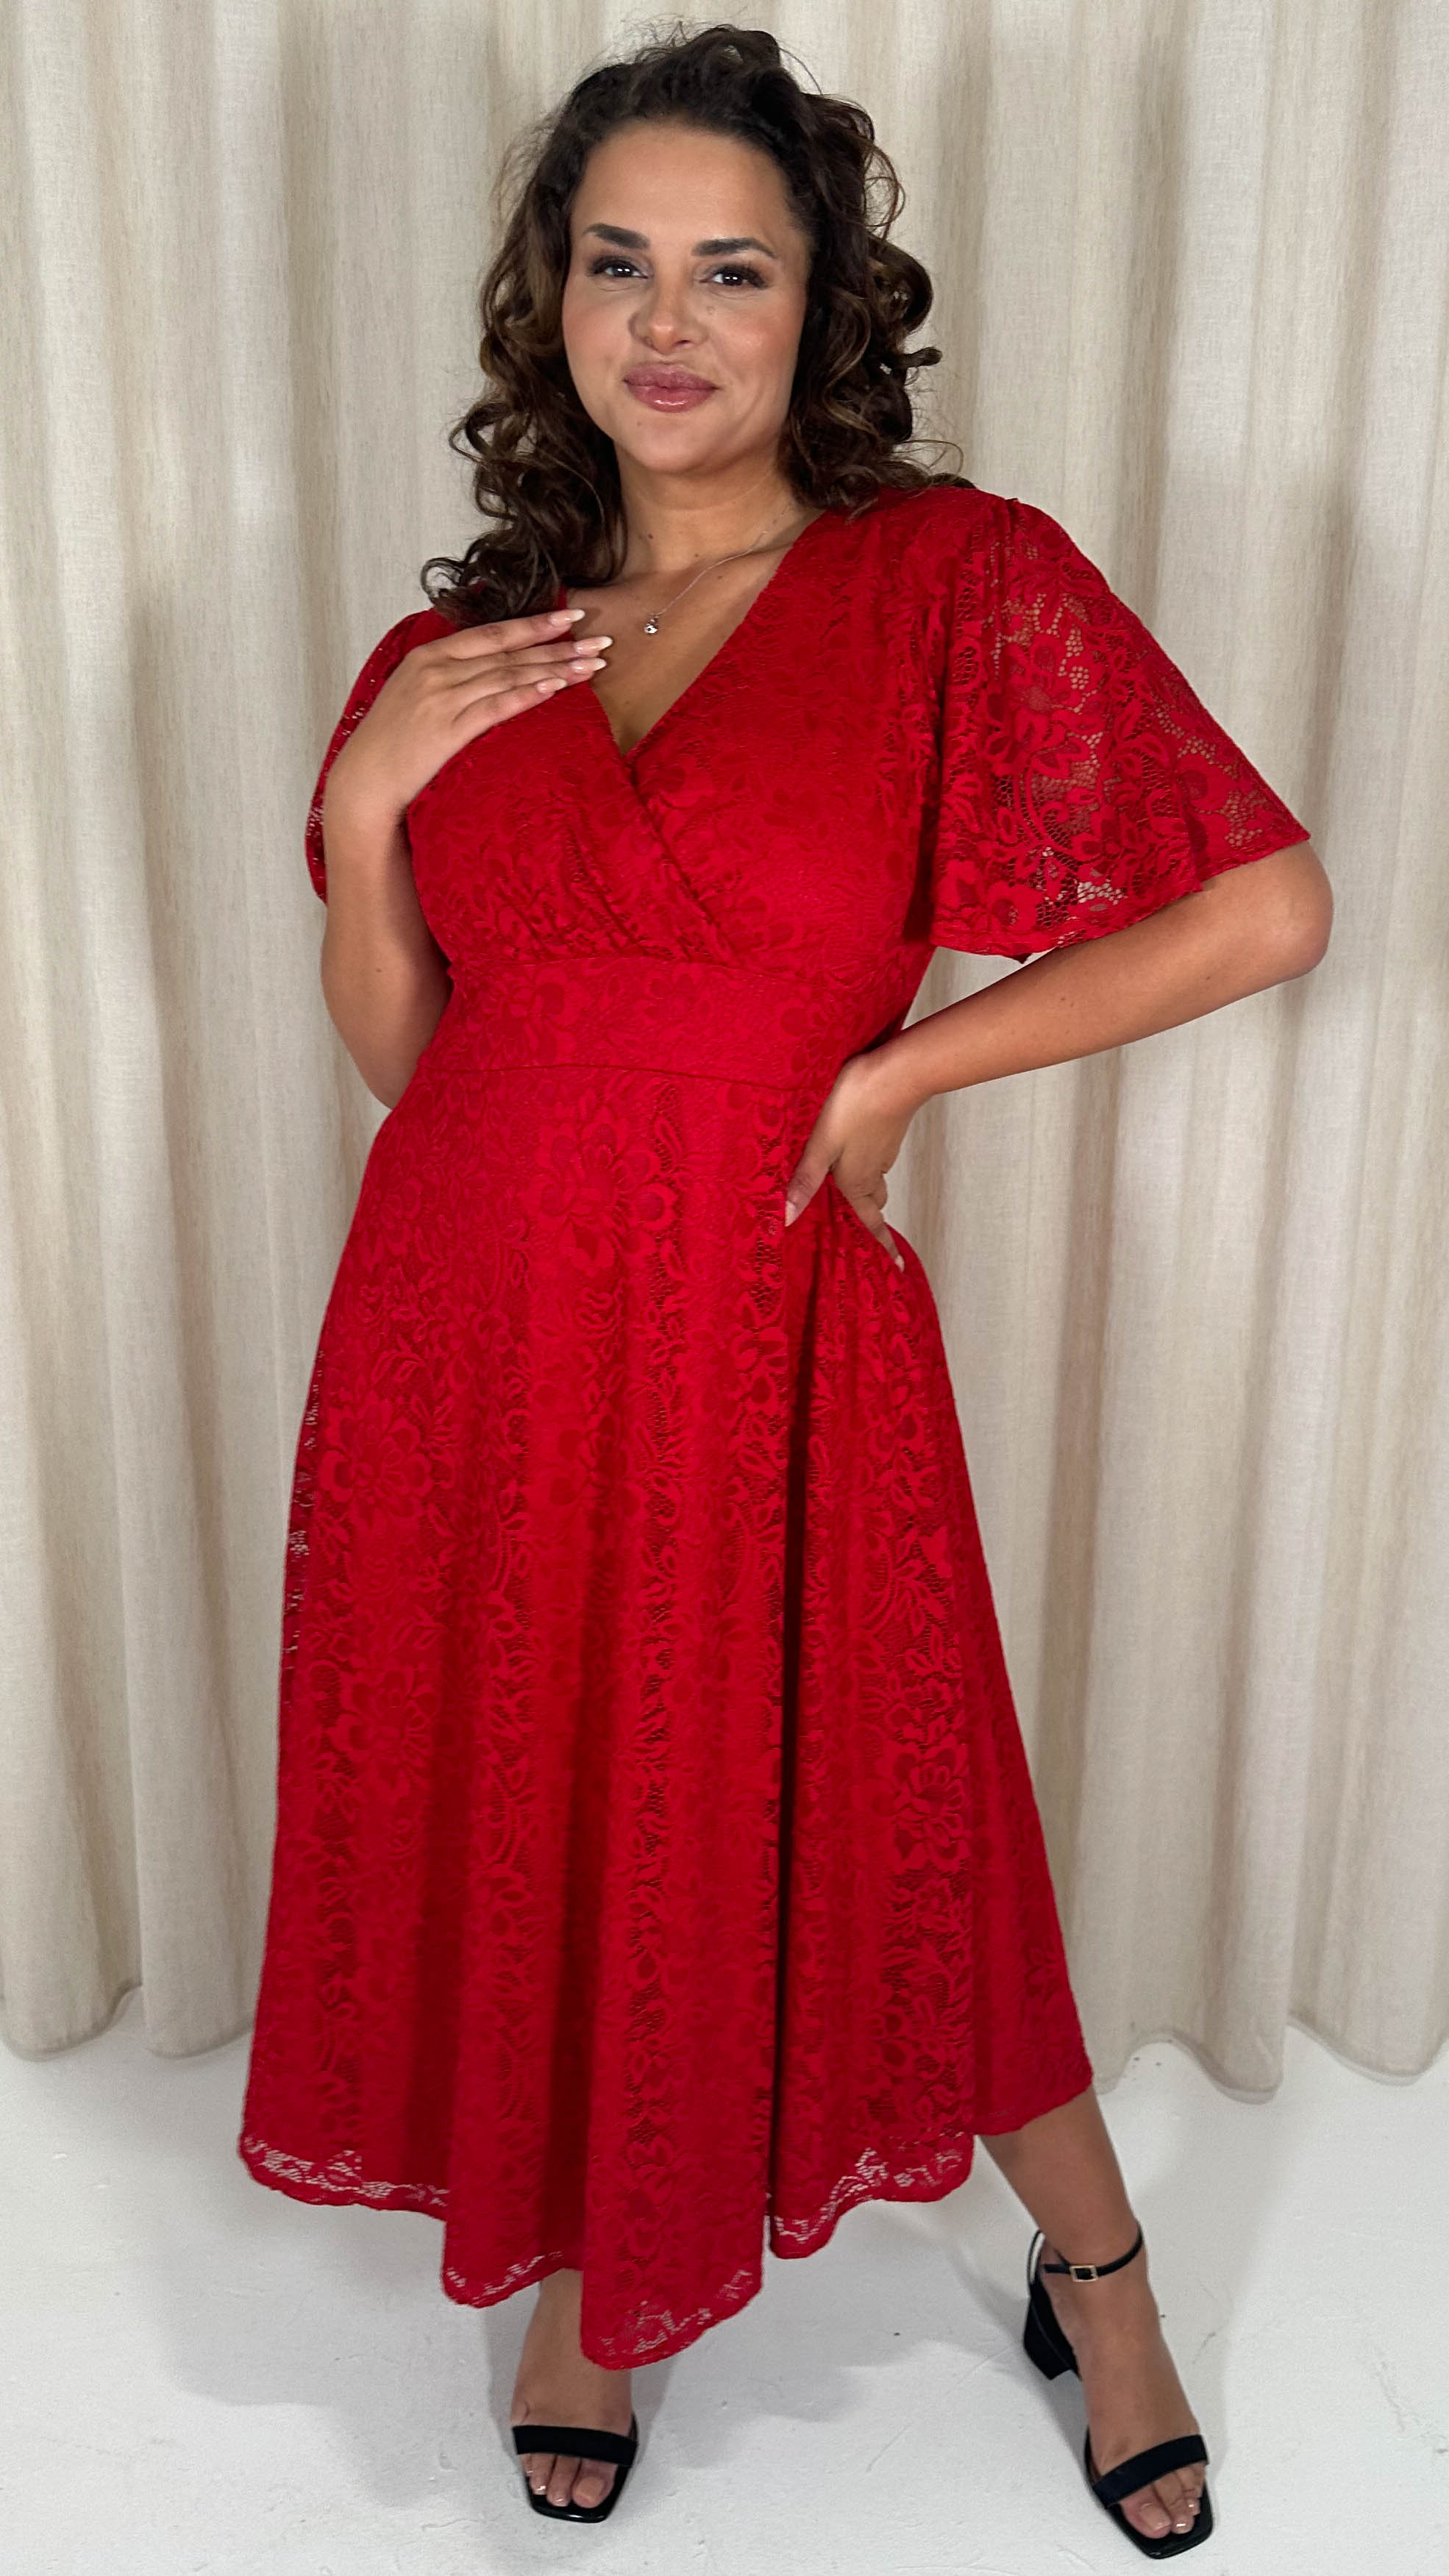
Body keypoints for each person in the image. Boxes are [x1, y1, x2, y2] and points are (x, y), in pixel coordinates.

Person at [238, 23, 1331, 2557]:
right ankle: (584, 2285)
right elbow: (412, 1059)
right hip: (464, 1328)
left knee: (907, 1807)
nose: (666, 321)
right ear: (549, 298)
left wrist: (902, 1073)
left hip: (765, 1313)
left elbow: (1263, 907)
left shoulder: (949, 582)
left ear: (820, 304)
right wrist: (377, 809)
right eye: (616, 263)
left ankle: (1104, 2280)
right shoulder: (468, 646)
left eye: (729, 270)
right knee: (548, 1786)